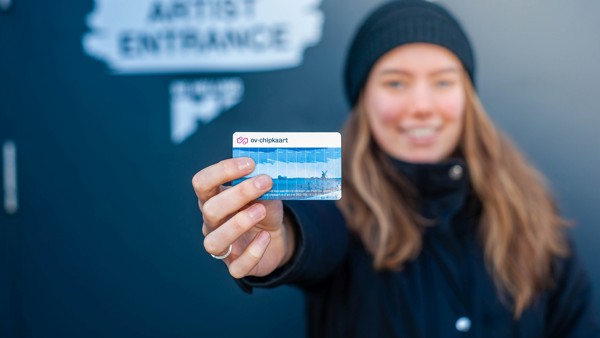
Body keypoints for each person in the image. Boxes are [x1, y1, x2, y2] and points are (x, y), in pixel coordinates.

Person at [192, 0, 600, 336]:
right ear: (364, 100)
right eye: (396, 83)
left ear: (467, 99)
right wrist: (281, 241)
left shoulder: (533, 213)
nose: (421, 105)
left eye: (443, 82)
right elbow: (315, 230)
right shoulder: (340, 203)